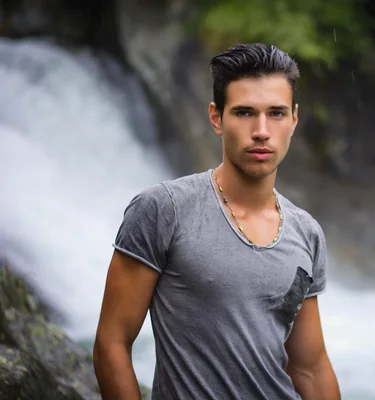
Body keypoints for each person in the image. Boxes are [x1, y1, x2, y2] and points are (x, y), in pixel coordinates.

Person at [92, 43, 340, 400]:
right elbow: (111, 344)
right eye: (243, 113)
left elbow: (310, 368)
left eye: (276, 113)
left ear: (294, 120)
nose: (261, 130)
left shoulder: (306, 232)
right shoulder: (164, 209)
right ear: (216, 118)